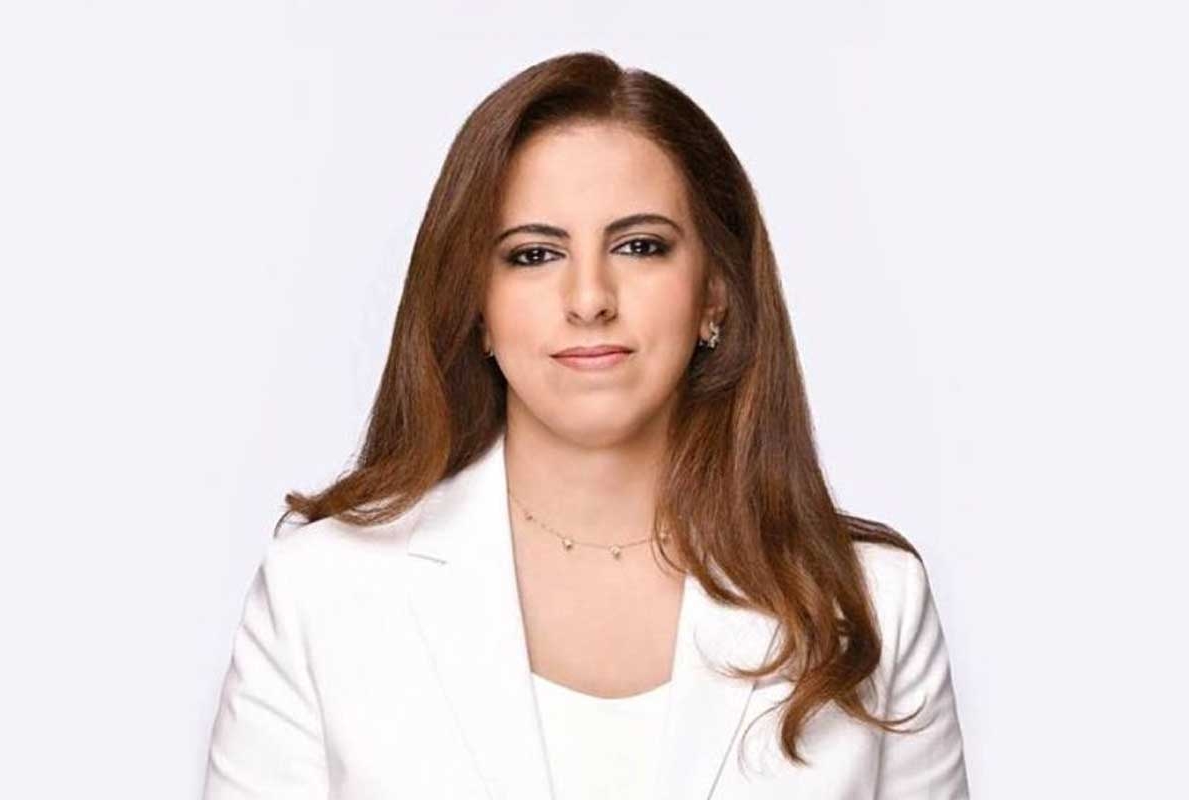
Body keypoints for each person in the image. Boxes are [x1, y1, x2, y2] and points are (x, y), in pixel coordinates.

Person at [202, 50, 970, 799]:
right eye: (534, 254)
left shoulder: (870, 604)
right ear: (476, 305)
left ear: (715, 292)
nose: (590, 298)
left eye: (639, 246)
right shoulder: (322, 591)